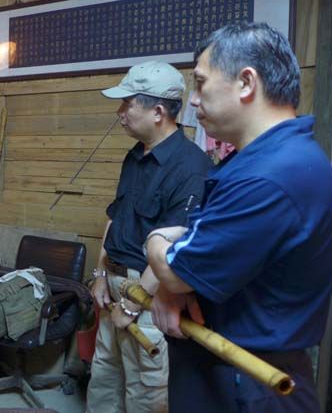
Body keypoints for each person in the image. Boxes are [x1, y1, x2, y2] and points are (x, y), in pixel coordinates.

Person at [144, 22, 332, 413]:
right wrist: (173, 282)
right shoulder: (259, 160)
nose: (193, 100)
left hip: (249, 380)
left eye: (201, 83)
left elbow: (177, 271)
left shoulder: (271, 175)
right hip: (221, 363)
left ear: (246, 82)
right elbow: (200, 252)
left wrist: (156, 241)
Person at [86, 61, 212, 413]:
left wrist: (131, 306)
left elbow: (174, 249)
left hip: (148, 300)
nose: (120, 112)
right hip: (114, 292)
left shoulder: (191, 167)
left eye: (127, 104)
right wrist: (100, 274)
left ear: (158, 112)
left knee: (145, 394)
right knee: (103, 385)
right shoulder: (135, 155)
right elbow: (116, 218)